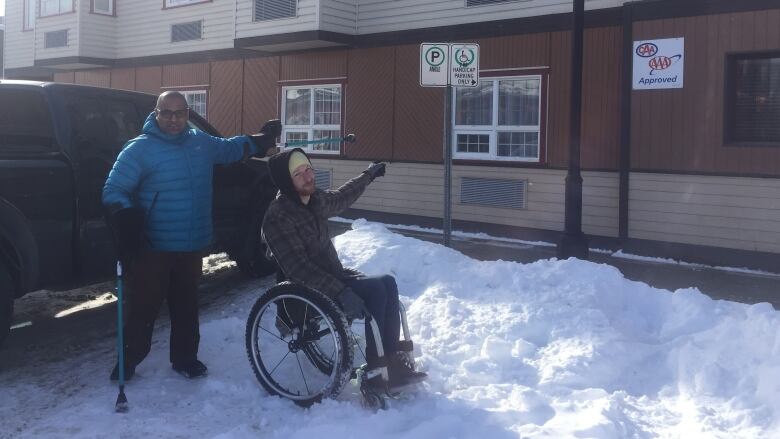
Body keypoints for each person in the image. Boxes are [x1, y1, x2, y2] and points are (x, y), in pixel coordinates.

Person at [102, 91, 281, 380]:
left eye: (180, 113)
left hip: (192, 243)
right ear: (156, 113)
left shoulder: (200, 142)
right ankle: (128, 361)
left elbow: (229, 148)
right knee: (143, 308)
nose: (174, 120)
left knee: (186, 305)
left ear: (187, 113)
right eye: (167, 113)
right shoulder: (139, 149)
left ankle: (185, 358)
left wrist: (259, 140)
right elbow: (114, 189)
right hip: (153, 245)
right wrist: (125, 215)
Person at [261, 148, 426, 389]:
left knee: (387, 282)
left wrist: (368, 174)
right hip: (305, 293)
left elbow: (342, 196)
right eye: (299, 174)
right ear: (287, 181)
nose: (308, 177)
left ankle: (390, 360)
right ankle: (376, 370)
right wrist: (341, 291)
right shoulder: (278, 216)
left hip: (332, 278)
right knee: (375, 291)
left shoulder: (313, 200)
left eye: (308, 169)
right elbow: (299, 269)